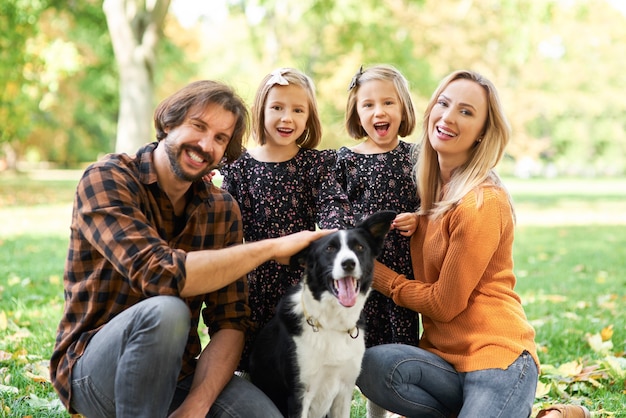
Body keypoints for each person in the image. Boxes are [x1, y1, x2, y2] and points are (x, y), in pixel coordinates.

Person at [49, 80, 334, 418]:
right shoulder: (107, 179)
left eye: (220, 138)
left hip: (179, 376)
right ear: (169, 122)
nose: (205, 145)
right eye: (198, 127)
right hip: (93, 373)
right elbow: (159, 273)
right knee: (166, 312)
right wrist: (270, 248)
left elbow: (231, 322)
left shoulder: (221, 209)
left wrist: (195, 407)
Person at [356, 70, 540, 418]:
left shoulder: (482, 202)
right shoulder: (428, 194)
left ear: (483, 131)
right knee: (374, 366)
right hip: (442, 362)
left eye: (466, 112)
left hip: (497, 360)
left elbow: (444, 303)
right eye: (444, 103)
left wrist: (374, 273)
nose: (448, 117)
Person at [219, 68, 353, 374]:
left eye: (297, 110)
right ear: (260, 110)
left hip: (297, 276)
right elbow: (225, 223)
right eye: (277, 108)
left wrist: (333, 235)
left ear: (309, 117)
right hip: (251, 276)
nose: (287, 118)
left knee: (297, 360)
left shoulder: (314, 165)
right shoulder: (239, 167)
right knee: (250, 358)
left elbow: (333, 207)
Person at [335, 64, 421, 417]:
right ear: (357, 112)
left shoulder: (416, 157)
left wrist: (419, 219)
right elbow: (335, 213)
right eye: (368, 104)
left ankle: (382, 410)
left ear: (404, 109)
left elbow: (429, 207)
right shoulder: (345, 160)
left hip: (401, 274)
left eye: (388, 102)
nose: (379, 111)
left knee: (394, 350)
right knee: (355, 346)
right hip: (359, 277)